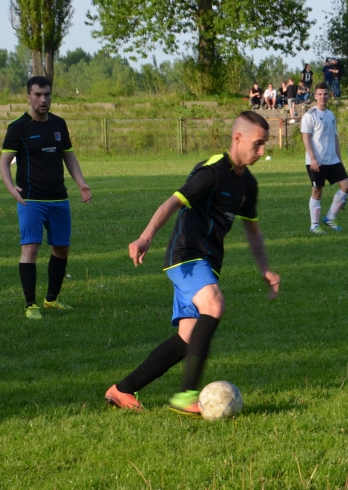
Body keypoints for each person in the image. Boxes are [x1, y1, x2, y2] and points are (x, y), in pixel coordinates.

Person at [104, 111, 280, 414]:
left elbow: (252, 229)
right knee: (214, 305)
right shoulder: (212, 171)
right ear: (238, 138)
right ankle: (186, 395)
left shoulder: (247, 185)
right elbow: (173, 201)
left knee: (186, 339)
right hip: (185, 255)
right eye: (258, 144)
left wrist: (264, 267)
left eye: (265, 144)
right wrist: (146, 237)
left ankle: (122, 389)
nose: (262, 151)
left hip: (208, 262)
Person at [0, 76, 92, 320]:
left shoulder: (59, 124)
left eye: (47, 94)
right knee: (30, 248)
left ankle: (51, 300)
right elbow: (4, 162)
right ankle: (30, 305)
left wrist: (81, 183)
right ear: (28, 96)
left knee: (61, 249)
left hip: (58, 199)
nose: (43, 99)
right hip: (31, 199)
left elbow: (68, 156)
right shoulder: (18, 127)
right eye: (38, 94)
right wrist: (11, 188)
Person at [302, 82, 348, 234]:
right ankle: (314, 225)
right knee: (317, 190)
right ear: (315, 96)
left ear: (328, 95)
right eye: (319, 94)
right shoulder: (310, 115)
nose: (322, 97)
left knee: (346, 186)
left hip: (332, 160)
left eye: (325, 94)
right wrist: (313, 159)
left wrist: (339, 158)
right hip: (316, 160)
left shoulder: (330, 115)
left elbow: (335, 138)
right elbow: (306, 138)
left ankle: (330, 217)